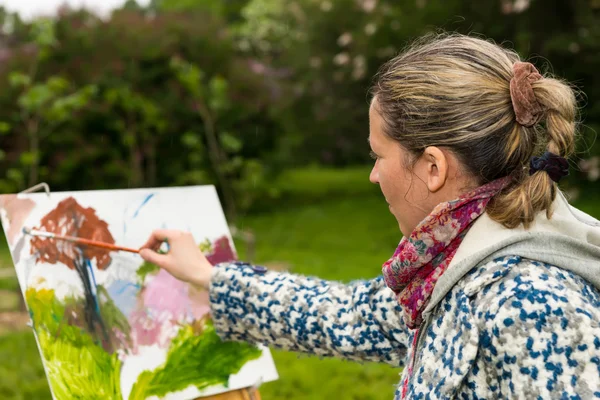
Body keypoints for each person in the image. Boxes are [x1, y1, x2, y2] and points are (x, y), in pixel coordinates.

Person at [139, 33, 600, 399]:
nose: (373, 175)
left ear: (434, 167)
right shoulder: (457, 261)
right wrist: (209, 276)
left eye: (378, 155)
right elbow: (349, 316)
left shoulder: (533, 306)